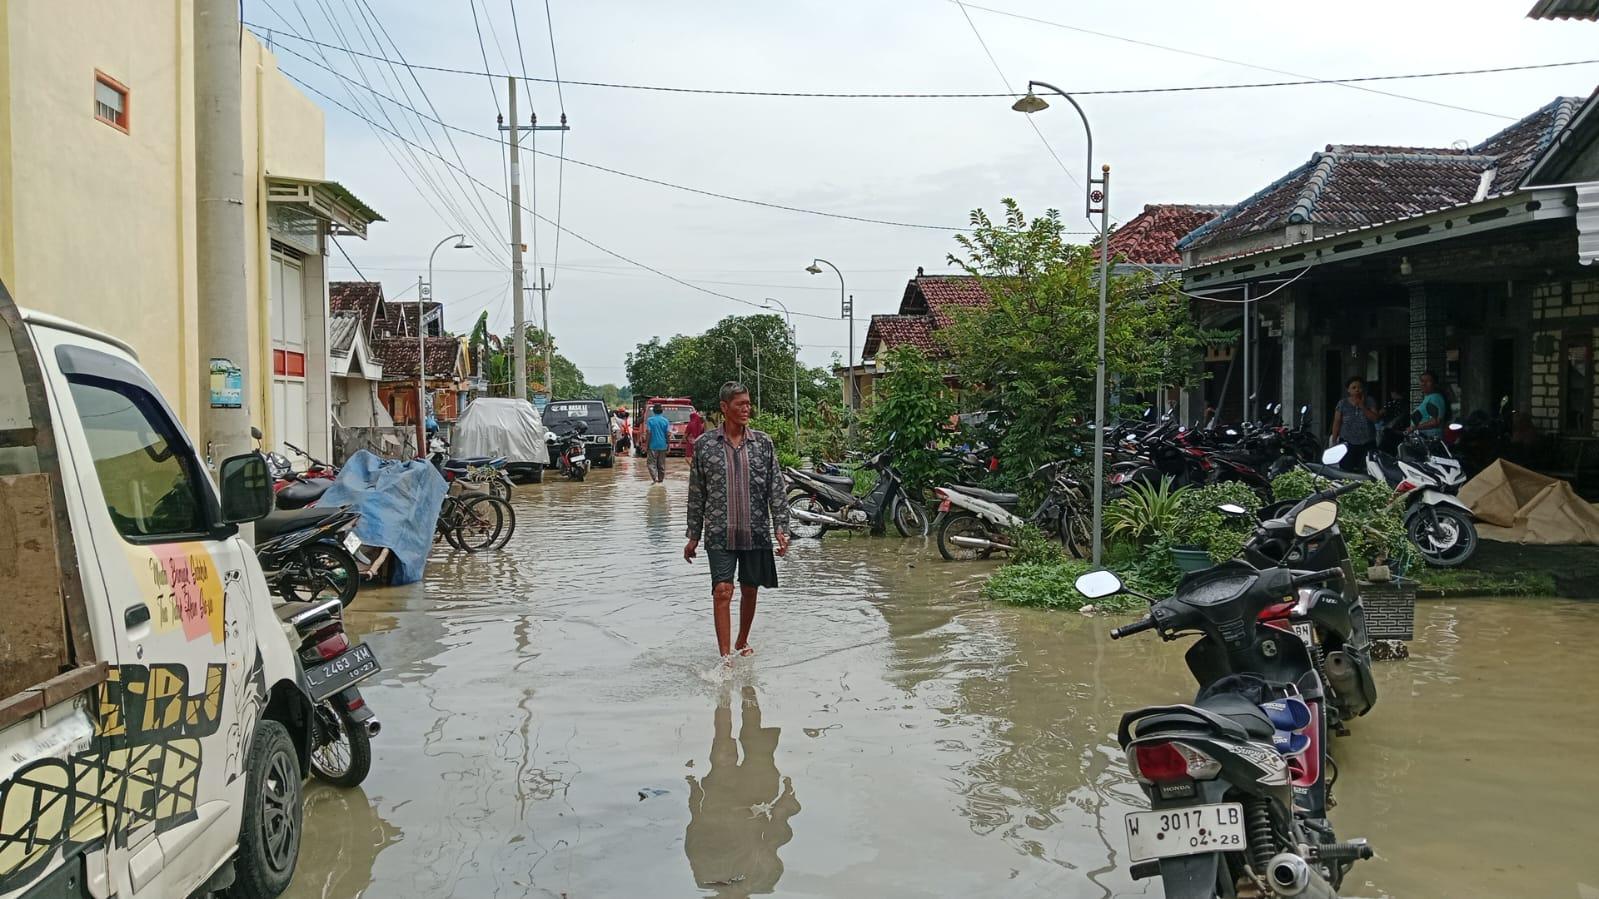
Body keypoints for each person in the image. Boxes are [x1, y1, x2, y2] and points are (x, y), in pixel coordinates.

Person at [684, 382, 790, 661]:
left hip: (755, 530)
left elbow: (775, 488)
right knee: (722, 591)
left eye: (748, 403)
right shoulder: (705, 446)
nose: (746, 409)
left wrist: (781, 528)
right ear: (724, 408)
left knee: (749, 588)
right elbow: (697, 493)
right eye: (740, 404)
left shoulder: (763, 443)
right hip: (719, 531)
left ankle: (742, 640)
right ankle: (725, 657)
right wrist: (693, 536)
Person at [1329, 376, 1380, 471]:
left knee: (1368, 470)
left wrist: (1362, 406)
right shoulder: (1342, 403)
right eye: (1354, 387)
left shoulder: (1369, 401)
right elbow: (1337, 422)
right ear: (1348, 390)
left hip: (1367, 442)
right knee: (1346, 469)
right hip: (1347, 442)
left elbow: (1375, 419)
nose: (1357, 390)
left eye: (1359, 387)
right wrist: (1334, 440)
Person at [1409, 370, 1449, 439]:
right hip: (1424, 437)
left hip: (1430, 438)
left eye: (1428, 381)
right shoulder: (1428, 397)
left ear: (1435, 384)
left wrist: (1414, 427)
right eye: (1422, 381)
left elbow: (1435, 422)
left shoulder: (1435, 397)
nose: (1423, 384)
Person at [646, 403, 671, 483]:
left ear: (653, 411)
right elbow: (667, 434)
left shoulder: (650, 420)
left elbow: (649, 433)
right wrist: (668, 444)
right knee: (661, 464)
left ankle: (655, 479)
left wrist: (647, 444)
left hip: (652, 445)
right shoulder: (665, 421)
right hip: (663, 445)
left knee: (651, 464)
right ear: (662, 411)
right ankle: (661, 480)